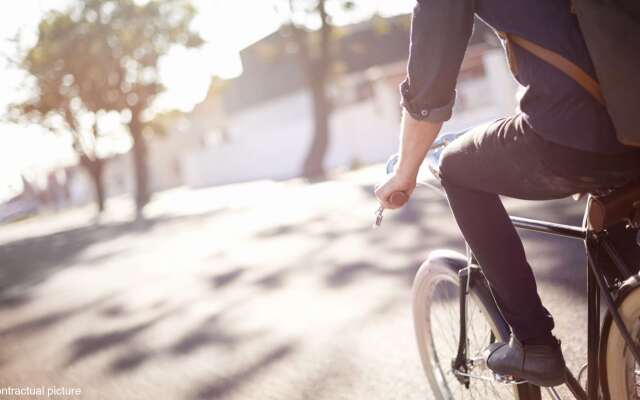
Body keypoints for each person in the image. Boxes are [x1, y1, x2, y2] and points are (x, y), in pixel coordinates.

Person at [374, 0, 640, 387]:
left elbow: (430, 81)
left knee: (457, 168)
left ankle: (534, 345)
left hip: (583, 132)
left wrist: (404, 171)